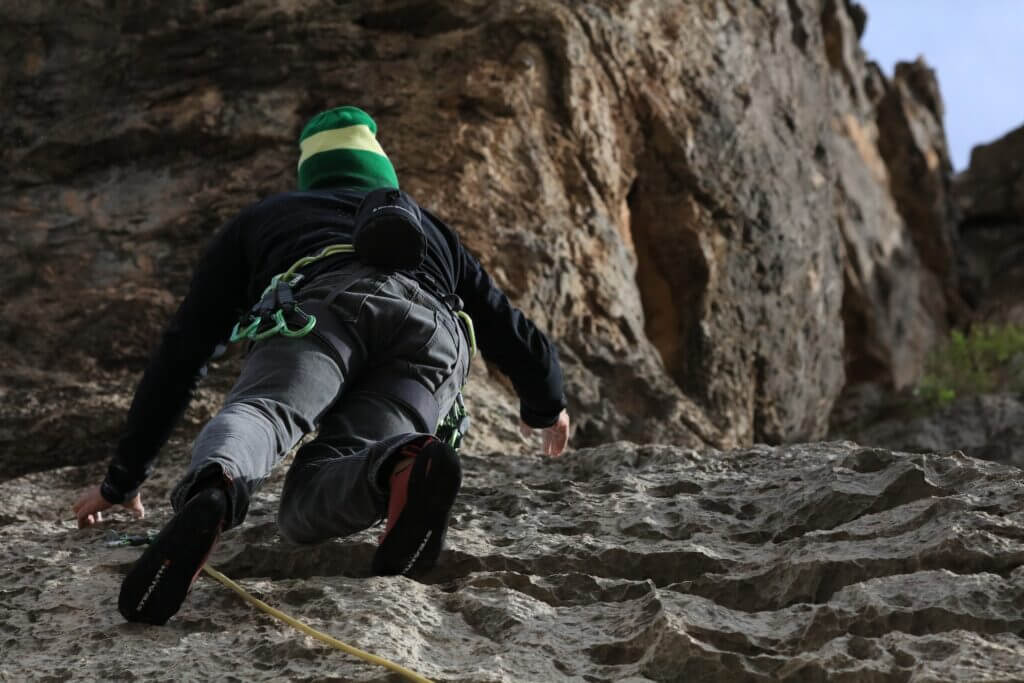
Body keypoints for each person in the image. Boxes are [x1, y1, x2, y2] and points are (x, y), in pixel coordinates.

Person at [71, 106, 570, 625]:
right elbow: (503, 320)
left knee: (265, 412)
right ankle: (404, 463)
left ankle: (215, 486)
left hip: (317, 307)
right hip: (432, 337)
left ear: (312, 174)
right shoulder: (432, 230)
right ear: (383, 181)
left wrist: (122, 481)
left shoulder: (265, 217)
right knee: (316, 500)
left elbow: (183, 352)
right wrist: (546, 403)